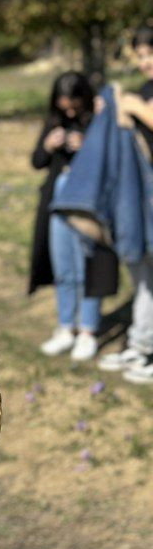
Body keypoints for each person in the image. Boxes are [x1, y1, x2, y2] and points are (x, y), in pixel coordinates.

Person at [31, 72, 111, 361]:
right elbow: (36, 161)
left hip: (87, 205)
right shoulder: (54, 120)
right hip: (56, 203)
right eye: (63, 105)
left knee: (89, 266)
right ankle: (66, 327)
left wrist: (86, 146)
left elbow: (109, 162)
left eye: (74, 105)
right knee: (64, 267)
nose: (69, 111)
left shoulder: (97, 120)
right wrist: (48, 146)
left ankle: (88, 330)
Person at [98, 23, 153, 383]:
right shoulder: (146, 89)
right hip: (143, 194)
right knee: (142, 270)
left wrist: (137, 107)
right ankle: (141, 344)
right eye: (141, 56)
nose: (145, 62)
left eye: (150, 54)